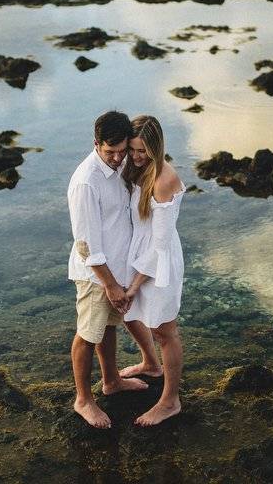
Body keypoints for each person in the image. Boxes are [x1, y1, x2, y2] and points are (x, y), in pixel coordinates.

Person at [67, 110, 149, 429]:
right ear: (96, 144)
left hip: (117, 270)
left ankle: (112, 381)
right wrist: (111, 285)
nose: (117, 158)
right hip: (95, 275)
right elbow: (86, 245)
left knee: (109, 327)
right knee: (88, 334)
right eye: (109, 152)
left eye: (122, 150)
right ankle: (83, 400)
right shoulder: (86, 182)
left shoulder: (118, 165)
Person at [119, 115, 186, 426]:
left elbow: (158, 246)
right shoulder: (139, 170)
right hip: (138, 256)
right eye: (132, 149)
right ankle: (150, 364)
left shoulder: (162, 180)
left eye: (142, 151)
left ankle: (170, 400)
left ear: (157, 148)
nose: (135, 156)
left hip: (159, 265)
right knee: (128, 314)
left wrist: (134, 285)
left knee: (164, 331)